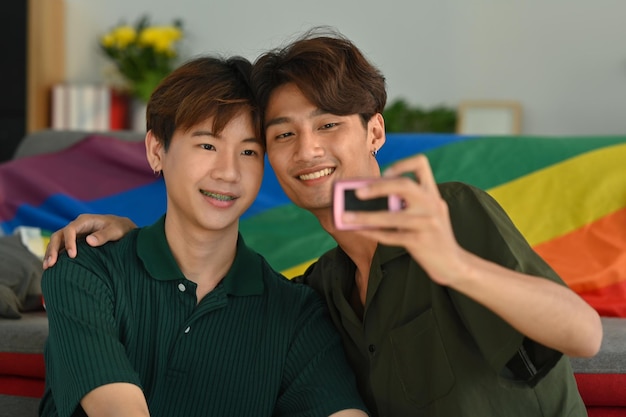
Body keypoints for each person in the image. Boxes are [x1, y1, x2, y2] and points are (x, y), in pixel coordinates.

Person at [43, 29, 602, 416]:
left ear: (375, 134)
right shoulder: (323, 291)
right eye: (283, 134)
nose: (307, 150)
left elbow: (585, 333)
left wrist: (452, 263)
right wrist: (125, 235)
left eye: (329, 124)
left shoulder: (447, 211)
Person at [38, 55, 369, 417]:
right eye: (208, 145)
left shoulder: (296, 313)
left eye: (248, 151)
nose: (228, 173)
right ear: (156, 150)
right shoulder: (84, 266)